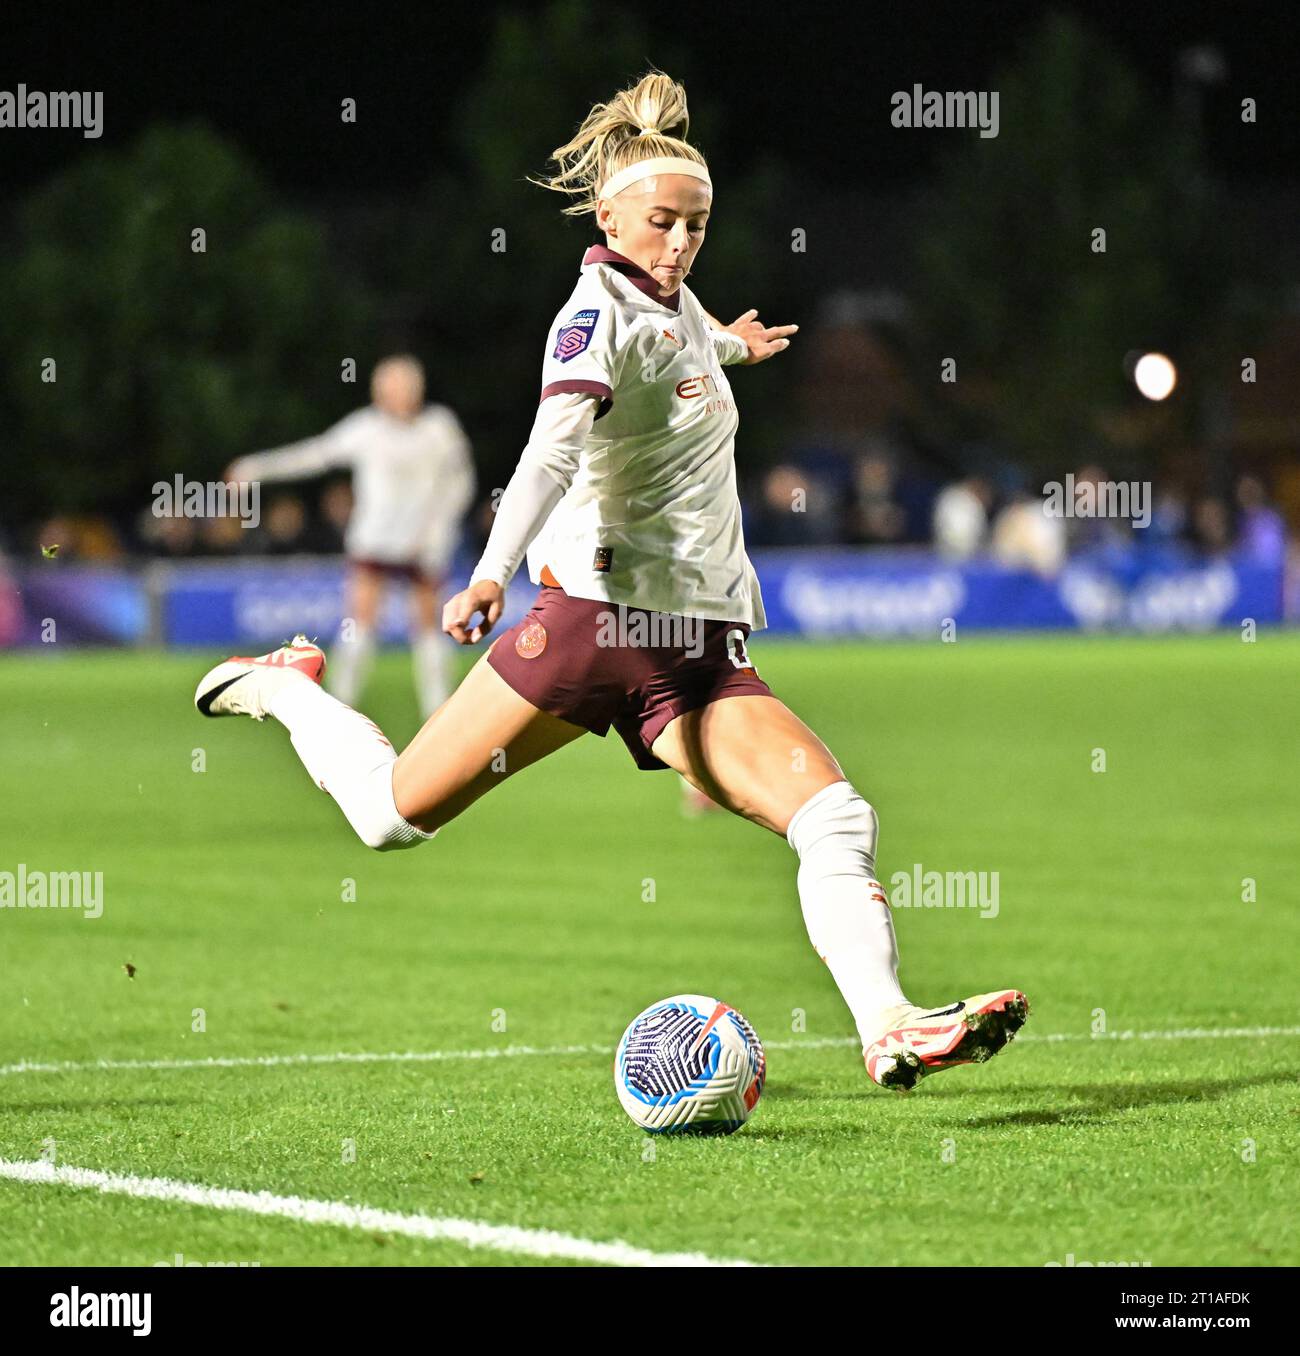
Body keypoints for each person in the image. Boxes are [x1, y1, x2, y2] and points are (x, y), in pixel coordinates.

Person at [195, 72, 1027, 1091]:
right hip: (592, 627)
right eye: (662, 223)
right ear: (609, 217)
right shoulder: (591, 317)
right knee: (387, 817)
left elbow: (684, 339)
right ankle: (284, 686)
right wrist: (492, 573)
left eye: (696, 226)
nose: (679, 243)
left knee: (837, 817)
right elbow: (549, 454)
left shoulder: (672, 303)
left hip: (699, 653)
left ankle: (888, 1024)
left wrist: (735, 345)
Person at [226, 356, 475, 715]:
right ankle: (340, 705)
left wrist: (439, 530)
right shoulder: (366, 429)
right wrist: (257, 468)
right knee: (360, 622)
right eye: (391, 387)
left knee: (428, 625)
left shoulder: (439, 428)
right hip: (374, 540)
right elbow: (314, 454)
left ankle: (438, 709)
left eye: (406, 386)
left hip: (423, 544)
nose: (399, 394)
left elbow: (460, 483)